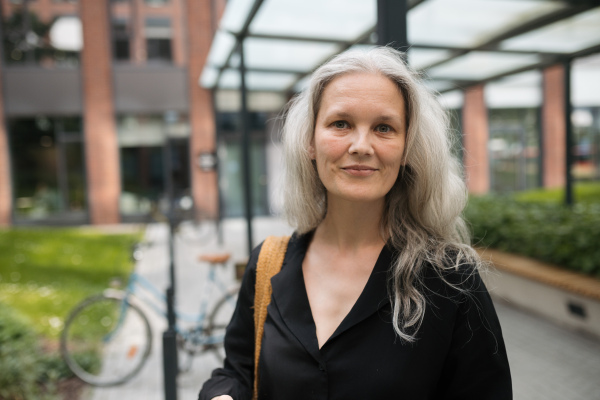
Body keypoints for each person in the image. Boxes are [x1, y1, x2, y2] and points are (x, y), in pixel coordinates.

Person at [199, 47, 512, 400]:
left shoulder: (449, 279)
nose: (361, 145)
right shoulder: (269, 263)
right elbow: (236, 370)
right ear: (310, 142)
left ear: (407, 148)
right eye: (341, 124)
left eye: (383, 127)